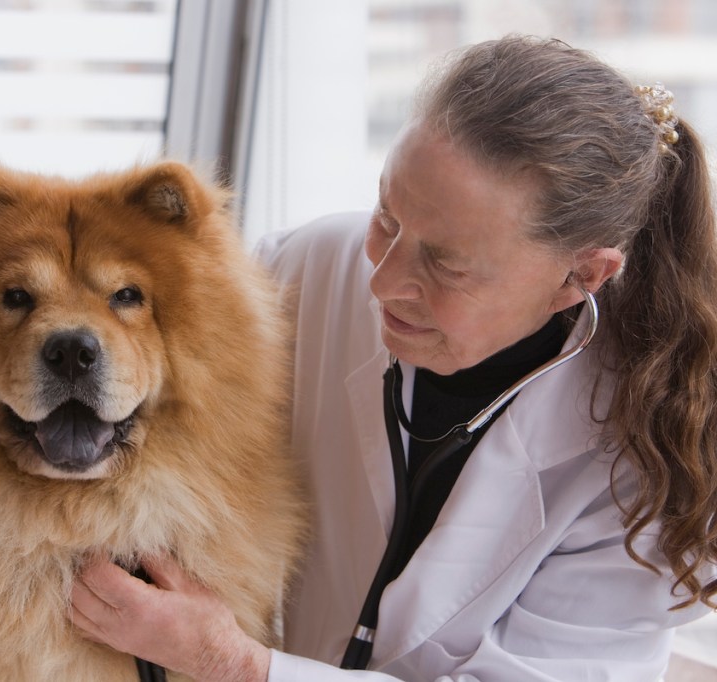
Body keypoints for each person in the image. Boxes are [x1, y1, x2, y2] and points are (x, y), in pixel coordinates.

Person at [70, 35, 717, 680]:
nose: (381, 280)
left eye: (445, 263)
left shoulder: (644, 461)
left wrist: (233, 662)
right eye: (387, 215)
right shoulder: (306, 269)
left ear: (582, 276)